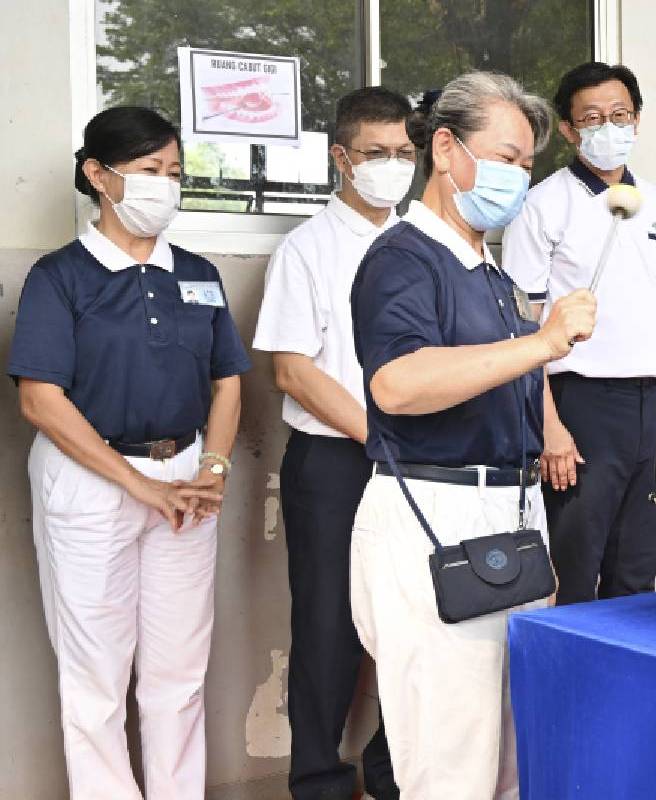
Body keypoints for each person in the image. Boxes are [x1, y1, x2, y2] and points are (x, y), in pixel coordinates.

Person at [348, 72, 596, 799]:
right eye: (508, 157)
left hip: (504, 519)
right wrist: (542, 344)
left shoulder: (489, 271)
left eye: (527, 166)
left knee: (508, 753)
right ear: (448, 149)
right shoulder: (404, 257)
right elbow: (396, 382)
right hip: (434, 514)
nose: (519, 178)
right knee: (450, 758)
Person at [7, 106, 250, 799]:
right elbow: (41, 400)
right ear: (98, 176)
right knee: (96, 677)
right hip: (91, 484)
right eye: (148, 171)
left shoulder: (197, 273)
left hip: (188, 480)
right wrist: (140, 487)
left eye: (173, 173)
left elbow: (228, 381)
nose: (165, 186)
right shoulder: (62, 277)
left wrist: (213, 468)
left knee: (179, 671)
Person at [253, 87, 413, 800]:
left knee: (412, 619)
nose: (393, 166)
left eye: (405, 153)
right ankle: (319, 778)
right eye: (377, 154)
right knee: (328, 625)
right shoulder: (307, 249)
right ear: (341, 159)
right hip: (336, 462)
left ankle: (390, 768)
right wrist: (376, 434)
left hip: (417, 461)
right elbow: (292, 368)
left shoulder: (421, 244)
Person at [502, 61, 656, 605]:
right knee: (574, 572)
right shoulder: (542, 206)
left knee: (637, 572)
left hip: (655, 403)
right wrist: (551, 429)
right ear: (568, 129)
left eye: (620, 115)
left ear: (637, 120)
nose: (609, 127)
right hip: (582, 406)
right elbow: (521, 327)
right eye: (592, 118)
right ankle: (569, 689)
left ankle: (624, 689)